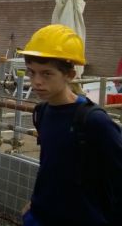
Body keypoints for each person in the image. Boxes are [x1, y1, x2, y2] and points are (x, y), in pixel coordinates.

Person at [19, 24, 122, 226]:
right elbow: (50, 166)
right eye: (31, 73)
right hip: (40, 216)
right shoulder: (42, 112)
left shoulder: (94, 121)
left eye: (46, 74)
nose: (36, 82)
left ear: (70, 75)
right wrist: (36, 200)